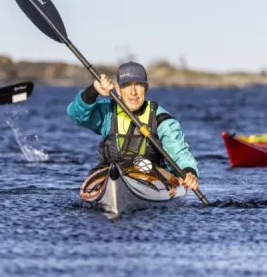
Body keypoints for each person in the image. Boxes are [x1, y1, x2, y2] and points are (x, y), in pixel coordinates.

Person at [67, 61, 200, 191]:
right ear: (118, 89)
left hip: (151, 177)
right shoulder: (108, 113)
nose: (133, 92)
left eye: (138, 85)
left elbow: (179, 153)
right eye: (127, 85)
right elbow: (76, 115)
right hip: (110, 174)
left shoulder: (162, 119)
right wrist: (93, 90)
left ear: (146, 87)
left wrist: (188, 172)